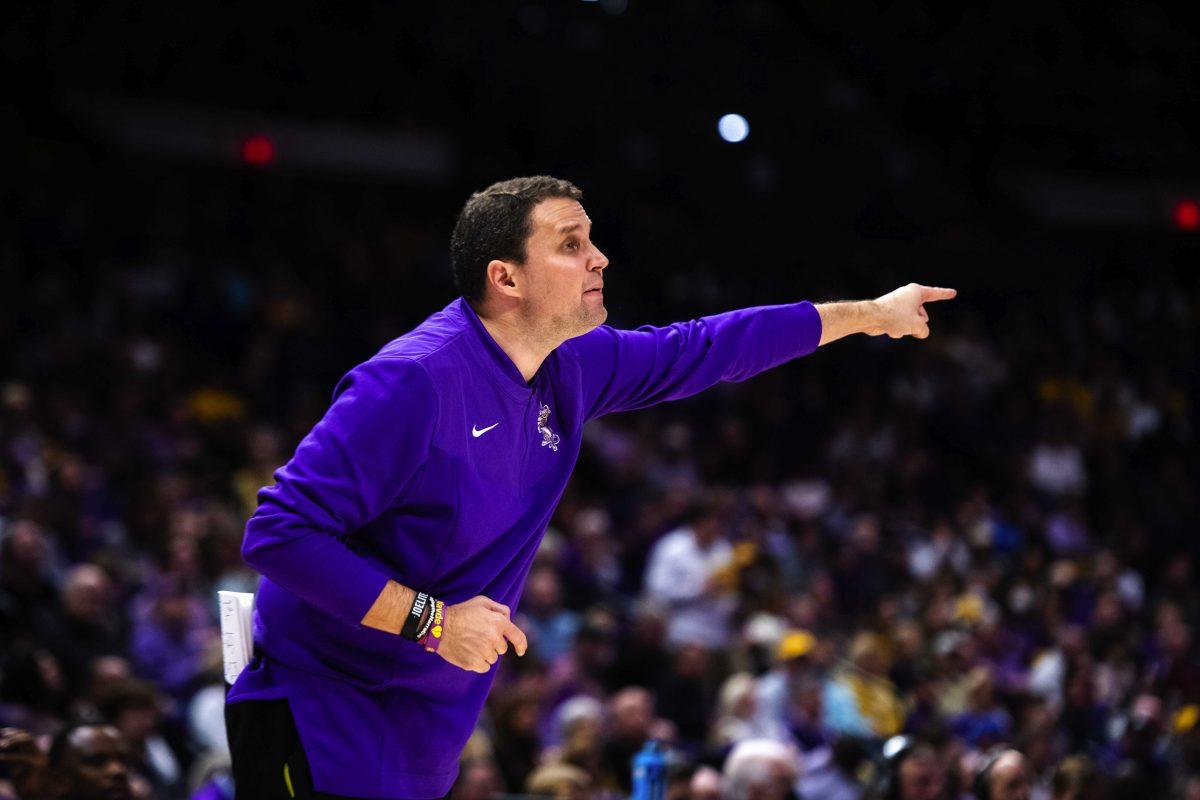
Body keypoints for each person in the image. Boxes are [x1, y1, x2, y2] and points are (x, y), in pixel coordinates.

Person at [225, 175, 956, 799]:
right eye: (571, 243)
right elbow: (279, 533)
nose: (598, 257)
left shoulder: (574, 362)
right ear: (504, 277)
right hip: (327, 707)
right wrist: (434, 622)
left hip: (428, 717)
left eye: (592, 239)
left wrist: (870, 315)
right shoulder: (413, 381)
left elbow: (710, 346)